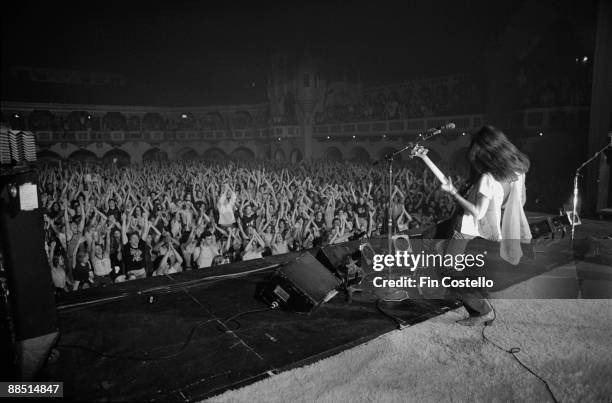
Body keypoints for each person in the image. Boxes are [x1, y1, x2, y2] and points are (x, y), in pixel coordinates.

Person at [439, 125, 532, 326]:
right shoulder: (518, 170)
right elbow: (520, 200)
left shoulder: (488, 178)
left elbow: (478, 212)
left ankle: (480, 310)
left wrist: (452, 192)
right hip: (480, 228)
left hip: (464, 227)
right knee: (434, 240)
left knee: (448, 269)